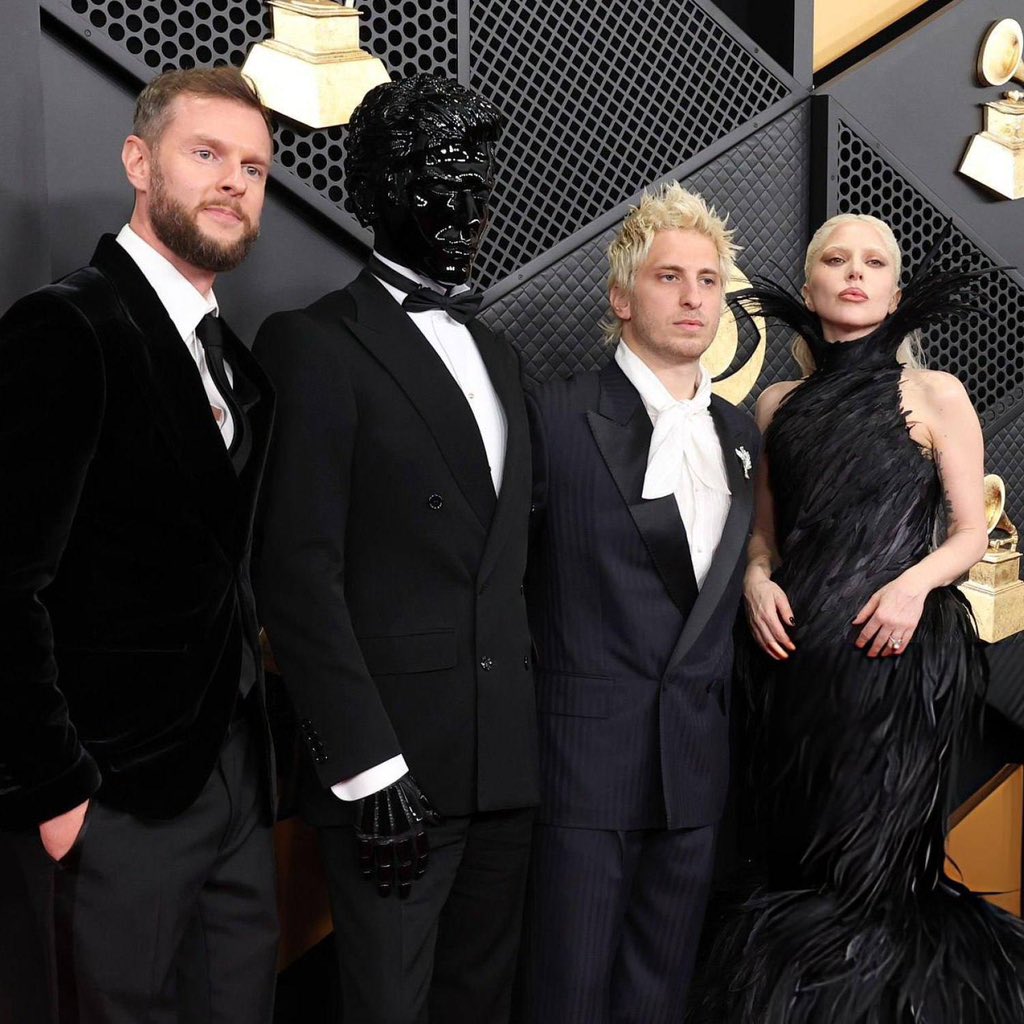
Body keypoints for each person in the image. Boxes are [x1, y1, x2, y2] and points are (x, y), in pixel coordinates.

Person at [253, 74, 538, 1024]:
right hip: (396, 774)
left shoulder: (500, 354)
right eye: (436, 182)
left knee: (480, 1004)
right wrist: (368, 767)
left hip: (504, 764)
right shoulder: (313, 343)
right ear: (376, 194)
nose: (466, 205)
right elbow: (296, 572)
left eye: (479, 181)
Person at [692, 214, 1024, 1022]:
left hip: (898, 669)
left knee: (872, 878)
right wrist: (755, 579)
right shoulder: (777, 402)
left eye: (873, 262)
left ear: (895, 291)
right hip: (793, 671)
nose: (854, 273)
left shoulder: (935, 394)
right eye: (835, 260)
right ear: (809, 287)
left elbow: (972, 532)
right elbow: (763, 532)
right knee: (794, 859)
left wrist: (913, 588)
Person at [0, 67, 278, 1024]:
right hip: (109, 798)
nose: (233, 181)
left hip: (234, 780)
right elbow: (4, 583)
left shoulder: (240, 370)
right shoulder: (66, 327)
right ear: (137, 159)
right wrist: (58, 789)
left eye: (253, 166)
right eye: (206, 154)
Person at [517, 182, 760, 1023]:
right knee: (566, 999)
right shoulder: (552, 415)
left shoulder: (741, 436)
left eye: (708, 280)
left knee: (660, 1001)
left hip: (695, 773)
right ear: (622, 296)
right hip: (581, 772)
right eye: (669, 277)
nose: (694, 296)